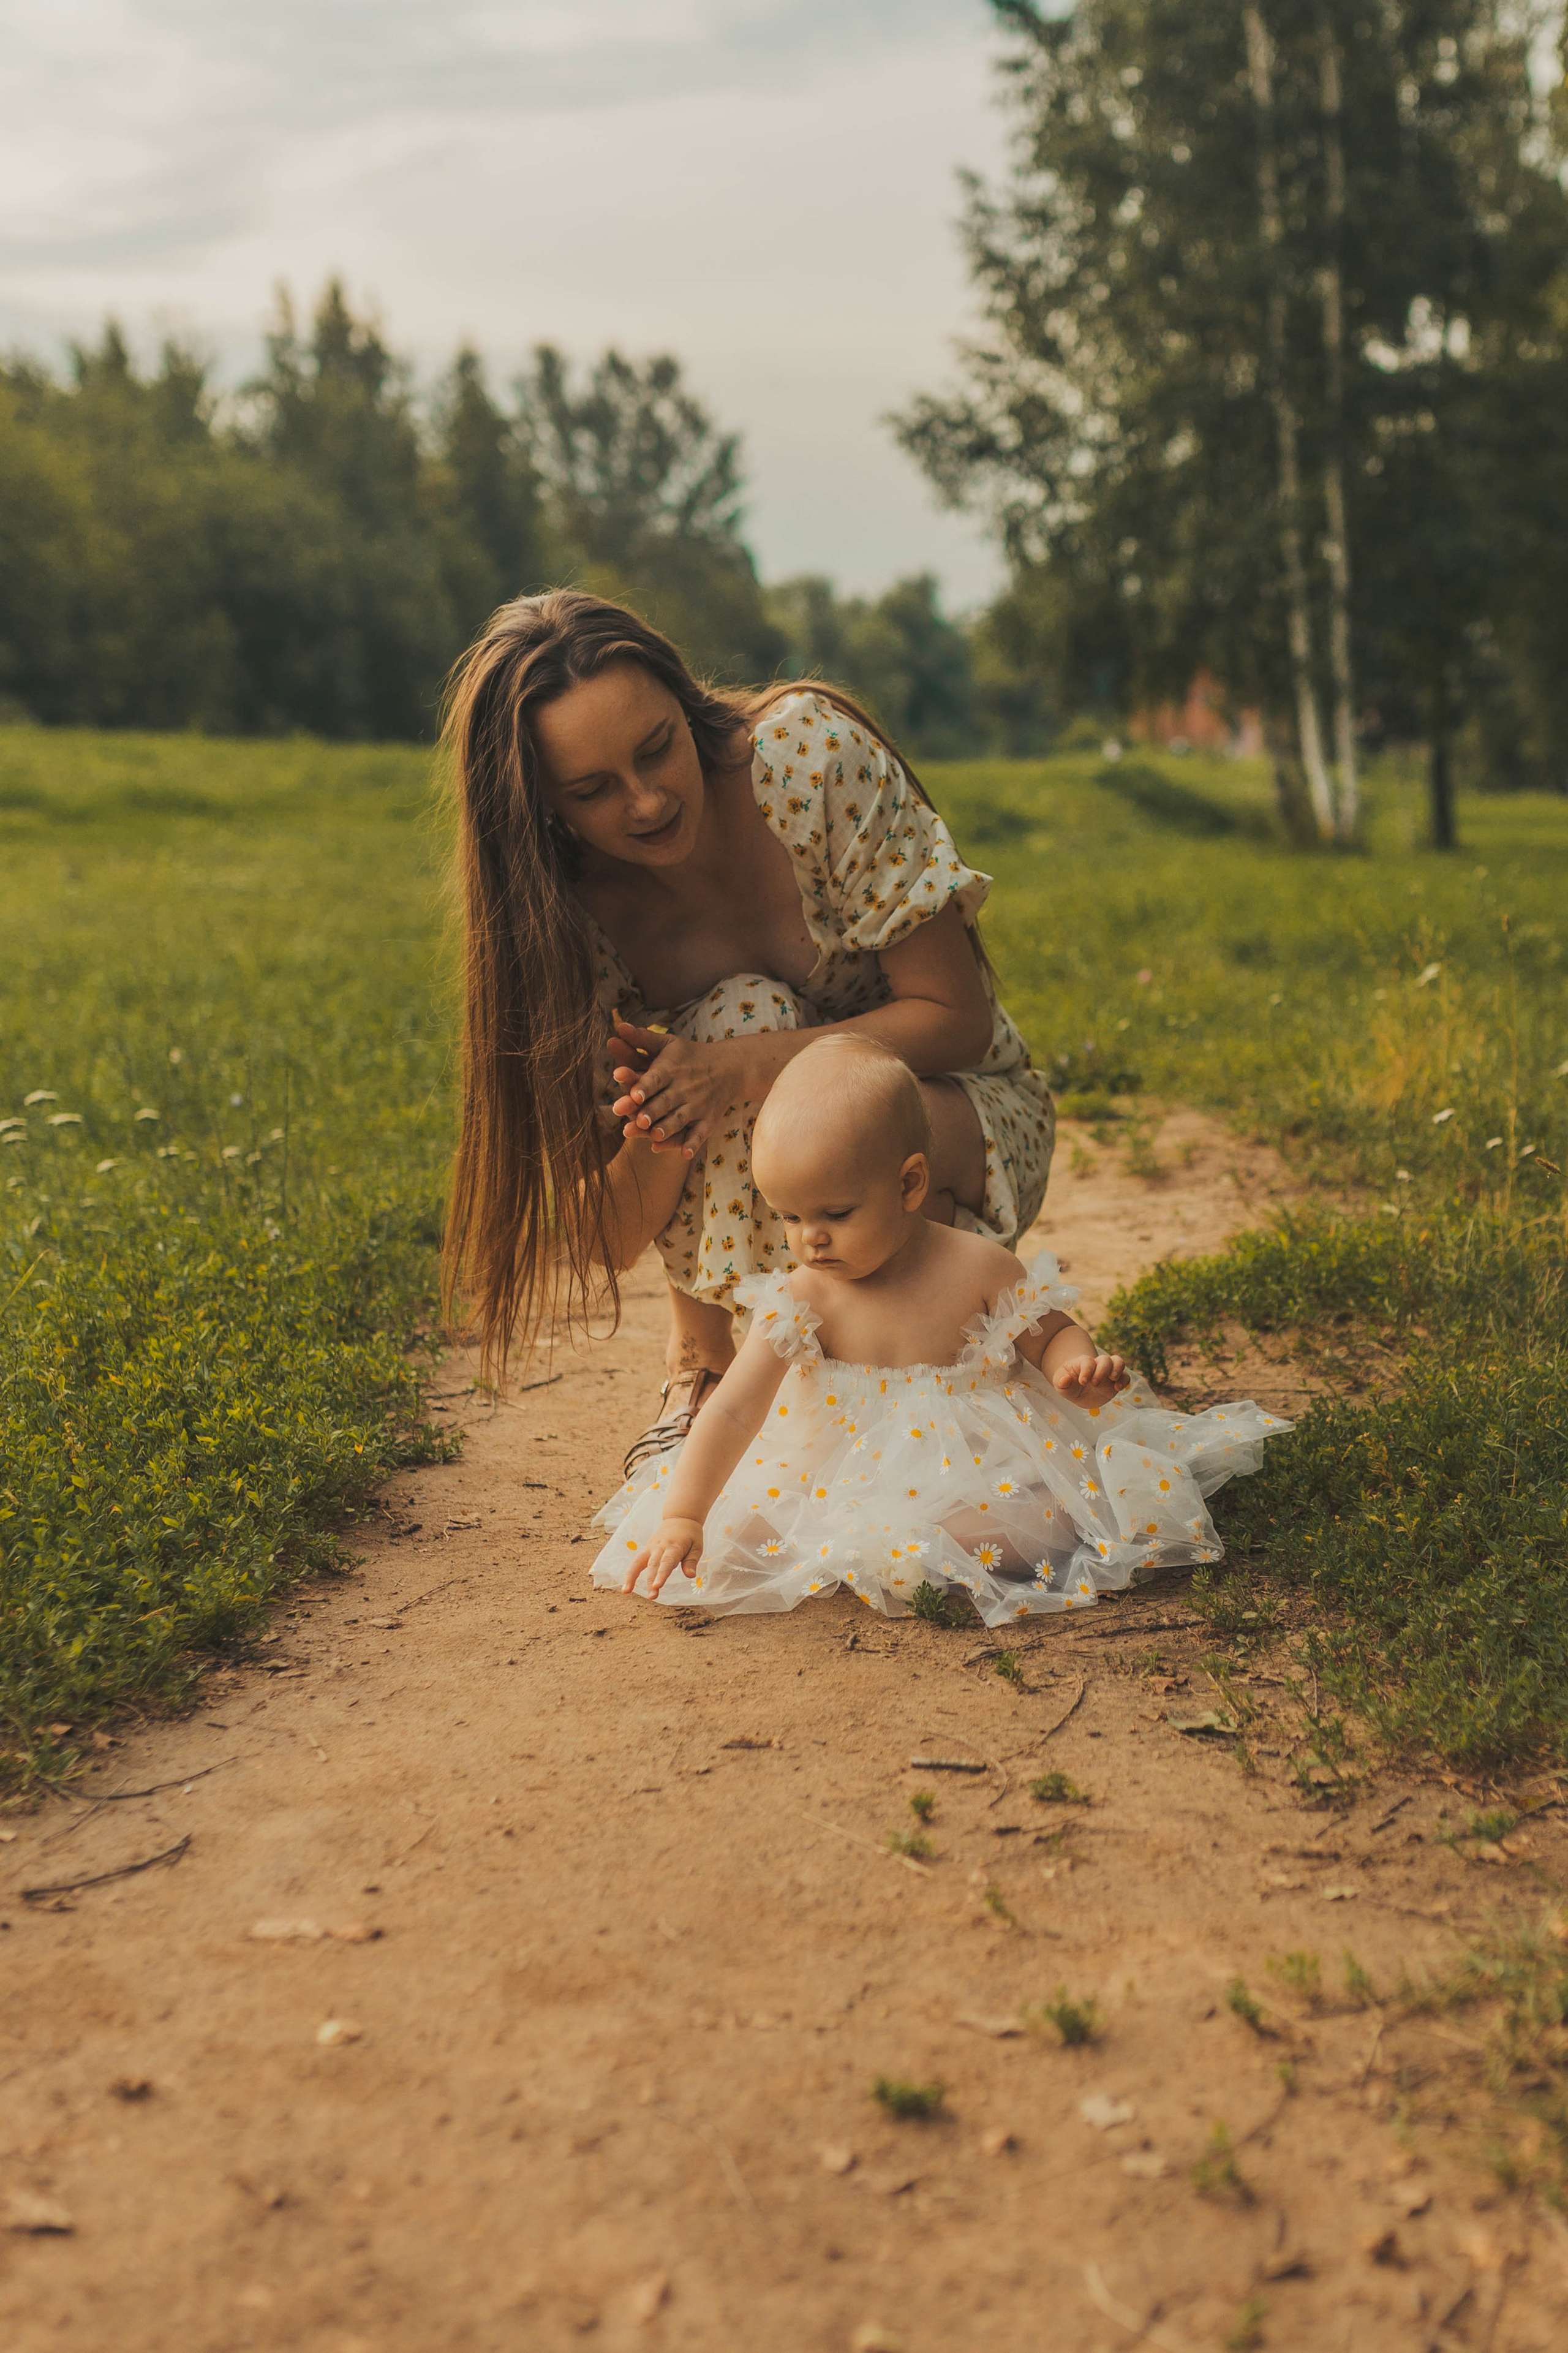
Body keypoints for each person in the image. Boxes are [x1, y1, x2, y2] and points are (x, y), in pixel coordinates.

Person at [442, 589, 1054, 1470]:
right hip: (772, 1192)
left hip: (958, 1114)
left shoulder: (810, 758)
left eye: (658, 748)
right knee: (738, 1011)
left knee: (751, 1041)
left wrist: (734, 1070)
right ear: (544, 804)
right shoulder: (559, 913)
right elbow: (607, 1236)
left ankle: (925, 1355)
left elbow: (956, 1020)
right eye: (593, 790)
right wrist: (670, 1108)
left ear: (684, 700)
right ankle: (705, 1364)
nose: (647, 801)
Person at [592, 1036, 1291, 1623]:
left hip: (970, 1468)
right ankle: (883, 1546)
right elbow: (734, 1410)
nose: (808, 1239)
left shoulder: (978, 1266)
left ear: (909, 1185)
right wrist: (685, 1514)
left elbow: (1050, 1333)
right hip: (832, 1470)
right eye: (789, 1215)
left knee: (1041, 1521)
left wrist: (1073, 1368)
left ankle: (919, 1547)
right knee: (738, 1529)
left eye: (835, 1213)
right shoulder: (800, 1297)